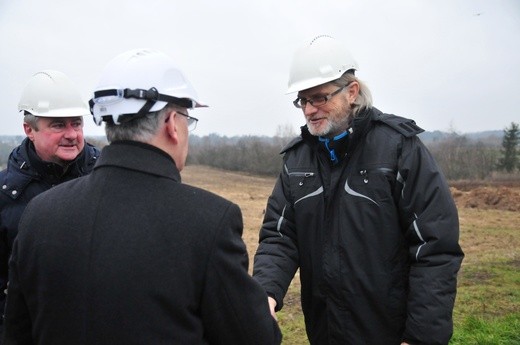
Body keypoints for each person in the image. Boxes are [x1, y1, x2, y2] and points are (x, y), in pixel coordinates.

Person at [3, 48, 281, 345]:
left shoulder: (38, 212)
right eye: (188, 118)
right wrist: (262, 313)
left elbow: (16, 332)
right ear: (172, 123)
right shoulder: (209, 222)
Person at [253, 35, 464, 345]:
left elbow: (434, 247)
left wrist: (421, 337)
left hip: (390, 332)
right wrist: (265, 294)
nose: (310, 110)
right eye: (303, 100)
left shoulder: (397, 147)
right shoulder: (297, 159)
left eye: (320, 98)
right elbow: (279, 237)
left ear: (351, 91)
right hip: (324, 331)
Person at [0, 70, 100, 339]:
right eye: (58, 125)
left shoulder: (108, 179)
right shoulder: (5, 196)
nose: (71, 134)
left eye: (76, 123)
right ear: (29, 130)